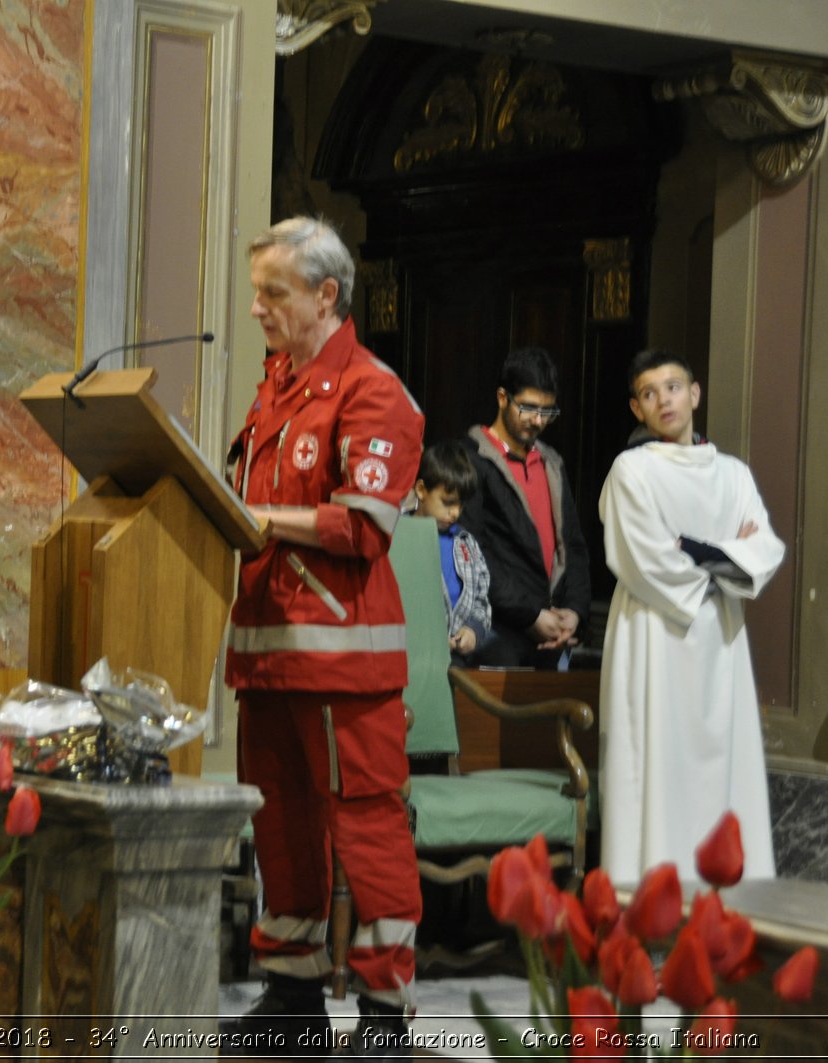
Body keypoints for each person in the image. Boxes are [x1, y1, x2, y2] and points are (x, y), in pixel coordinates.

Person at [223, 217, 423, 1060]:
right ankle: (294, 992)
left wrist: (262, 517)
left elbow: (363, 523)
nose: (259, 309)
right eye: (257, 292)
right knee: (283, 825)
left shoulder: (373, 391)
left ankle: (383, 1011)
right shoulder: (278, 387)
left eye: (275, 292)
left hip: (344, 659)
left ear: (326, 294)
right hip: (269, 654)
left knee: (365, 828)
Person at [598, 349, 783, 883]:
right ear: (637, 407)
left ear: (695, 393)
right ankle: (652, 890)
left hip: (720, 639)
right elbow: (645, 558)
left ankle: (723, 894)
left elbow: (765, 549)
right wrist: (729, 554)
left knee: (722, 766)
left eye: (673, 387)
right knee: (655, 762)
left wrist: (701, 549)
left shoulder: (733, 474)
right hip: (654, 634)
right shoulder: (631, 471)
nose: (665, 400)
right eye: (650, 393)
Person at [459, 347, 591, 669]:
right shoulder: (470, 459)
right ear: (502, 398)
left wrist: (573, 611)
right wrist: (530, 614)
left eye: (547, 411)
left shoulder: (551, 462)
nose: (538, 420)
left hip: (553, 631)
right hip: (498, 631)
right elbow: (472, 551)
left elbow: (572, 545)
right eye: (528, 408)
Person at [412, 440, 491, 665]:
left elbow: (481, 598)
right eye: (447, 503)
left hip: (457, 661)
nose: (455, 512)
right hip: (413, 660)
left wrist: (474, 631)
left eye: (461, 504)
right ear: (420, 490)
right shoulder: (399, 537)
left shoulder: (466, 543)